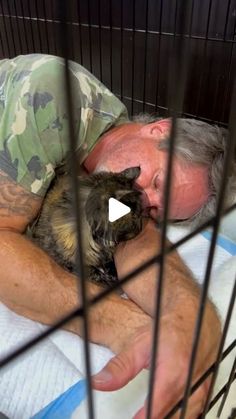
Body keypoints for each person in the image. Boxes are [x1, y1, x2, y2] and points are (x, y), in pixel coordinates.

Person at [0, 54, 233, 418]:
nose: (144, 200)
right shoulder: (54, 93)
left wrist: (188, 313)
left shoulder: (118, 179)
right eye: (158, 181)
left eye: (158, 211)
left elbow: (132, 233)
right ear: (161, 130)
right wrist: (125, 325)